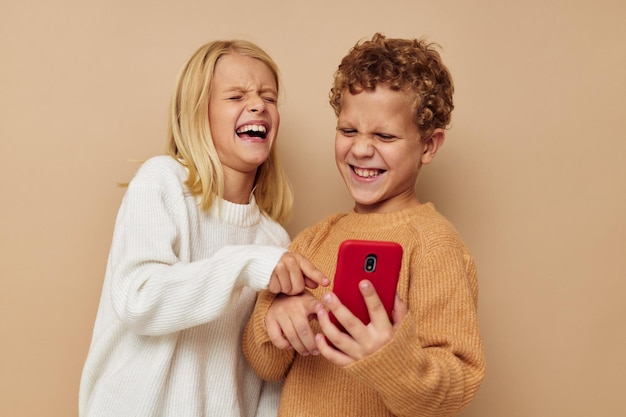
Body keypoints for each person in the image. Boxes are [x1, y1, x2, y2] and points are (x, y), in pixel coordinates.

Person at [78, 39, 329, 417]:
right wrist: (247, 265)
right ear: (199, 113)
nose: (258, 104)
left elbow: (268, 378)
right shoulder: (162, 182)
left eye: (268, 96)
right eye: (236, 96)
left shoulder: (274, 242)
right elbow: (139, 298)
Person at [242, 33, 486, 417]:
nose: (360, 149)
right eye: (348, 130)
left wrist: (393, 359)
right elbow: (265, 366)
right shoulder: (314, 239)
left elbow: (455, 387)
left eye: (385, 135)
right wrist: (273, 318)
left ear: (428, 145)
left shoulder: (435, 245)